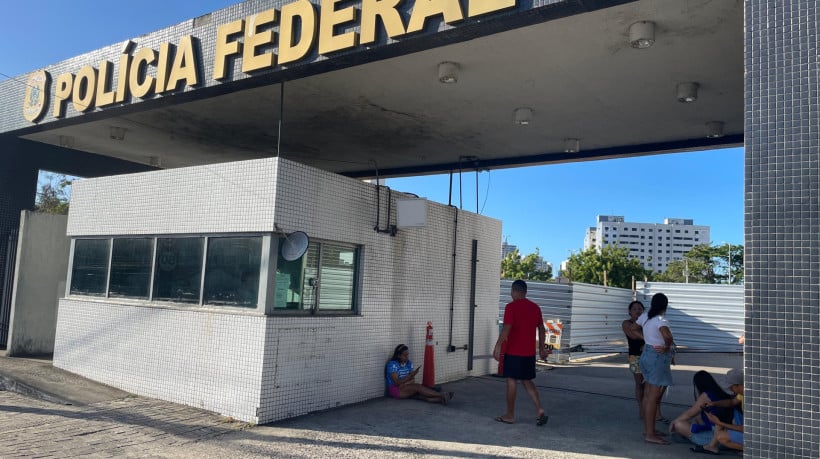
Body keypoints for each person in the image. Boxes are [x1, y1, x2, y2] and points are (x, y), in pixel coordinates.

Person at [492, 279, 549, 426]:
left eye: (511, 291)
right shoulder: (535, 308)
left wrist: (498, 346)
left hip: (514, 352)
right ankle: (540, 409)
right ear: (525, 292)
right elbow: (541, 329)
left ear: (514, 291)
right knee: (527, 380)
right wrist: (541, 348)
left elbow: (506, 328)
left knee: (511, 380)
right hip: (529, 354)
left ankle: (510, 415)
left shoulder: (510, 307)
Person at [622, 300, 669, 424]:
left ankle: (655, 411)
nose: (637, 311)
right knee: (640, 384)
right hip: (635, 356)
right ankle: (642, 410)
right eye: (634, 309)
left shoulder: (647, 321)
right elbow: (632, 335)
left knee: (654, 386)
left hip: (651, 356)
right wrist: (649, 338)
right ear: (629, 312)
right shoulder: (627, 323)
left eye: (640, 309)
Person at [637, 292, 674, 445]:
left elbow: (633, 329)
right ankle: (650, 434)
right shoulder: (661, 320)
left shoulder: (645, 317)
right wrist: (666, 346)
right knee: (653, 397)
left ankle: (648, 430)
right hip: (656, 358)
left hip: (646, 354)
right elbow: (668, 336)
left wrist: (646, 340)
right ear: (665, 306)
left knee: (647, 395)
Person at [669, 370, 734, 450]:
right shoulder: (719, 392)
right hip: (724, 433)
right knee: (698, 419)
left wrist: (674, 422)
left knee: (679, 425)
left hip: (715, 436)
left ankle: (695, 438)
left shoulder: (706, 395)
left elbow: (690, 413)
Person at [385, 344, 452, 404]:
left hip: (404, 387)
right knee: (417, 387)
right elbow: (396, 383)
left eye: (408, 355)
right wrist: (410, 376)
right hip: (395, 390)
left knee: (421, 393)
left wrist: (405, 383)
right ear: (398, 355)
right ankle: (441, 395)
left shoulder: (408, 363)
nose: (407, 357)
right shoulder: (392, 364)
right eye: (404, 355)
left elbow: (412, 380)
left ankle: (440, 399)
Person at [699, 368, 744, 453]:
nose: (730, 390)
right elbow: (732, 402)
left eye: (731, 387)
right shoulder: (742, 394)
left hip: (757, 435)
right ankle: (712, 446)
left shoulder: (751, 400)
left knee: (721, 436)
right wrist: (714, 403)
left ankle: (754, 450)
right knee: (732, 411)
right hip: (749, 429)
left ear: (737, 385)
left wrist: (719, 423)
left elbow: (746, 429)